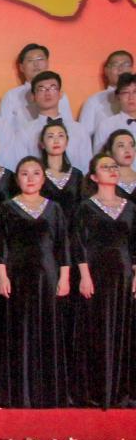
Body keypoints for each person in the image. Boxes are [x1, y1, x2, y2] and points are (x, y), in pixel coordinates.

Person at [0, 157, 70, 408]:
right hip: (16, 276)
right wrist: (2, 276)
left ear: (43, 178)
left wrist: (64, 277)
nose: (30, 178)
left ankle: (46, 394)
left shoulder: (54, 208)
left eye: (35, 173)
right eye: (24, 173)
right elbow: (0, 245)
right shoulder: (7, 208)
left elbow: (63, 245)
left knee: (47, 331)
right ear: (17, 179)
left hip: (47, 277)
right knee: (18, 331)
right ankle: (18, 394)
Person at [73, 153, 136, 408]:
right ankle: (95, 392)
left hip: (123, 276)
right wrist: (84, 276)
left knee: (123, 330)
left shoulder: (130, 208)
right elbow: (79, 243)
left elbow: (134, 244)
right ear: (93, 176)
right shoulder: (86, 207)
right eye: (105, 167)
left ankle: (119, 392)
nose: (111, 170)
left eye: (113, 166)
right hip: (95, 275)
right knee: (96, 329)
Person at [18, 71, 90, 171]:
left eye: (53, 88)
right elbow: (21, 167)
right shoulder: (24, 131)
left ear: (60, 94)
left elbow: (86, 166)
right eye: (41, 89)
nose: (47, 93)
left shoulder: (79, 129)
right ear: (33, 97)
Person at [0, 43, 73, 127]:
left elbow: (69, 125)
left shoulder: (59, 94)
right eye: (30, 60)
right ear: (21, 67)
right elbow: (3, 129)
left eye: (40, 59)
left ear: (47, 63)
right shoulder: (11, 96)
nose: (36, 64)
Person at [82, 50, 133, 137]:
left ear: (132, 69)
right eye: (115, 65)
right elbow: (84, 135)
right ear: (106, 70)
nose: (120, 69)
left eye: (125, 65)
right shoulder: (94, 101)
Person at [40, 121, 84, 220]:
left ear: (67, 142)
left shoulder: (77, 175)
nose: (56, 141)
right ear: (42, 144)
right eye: (50, 136)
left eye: (60, 136)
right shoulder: (37, 174)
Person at [94, 72, 136, 151]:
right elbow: (99, 156)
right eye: (126, 92)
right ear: (118, 96)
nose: (131, 97)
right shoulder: (106, 126)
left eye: (135, 92)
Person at [105, 130, 136, 201]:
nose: (127, 150)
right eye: (121, 146)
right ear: (109, 152)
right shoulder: (102, 182)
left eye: (131, 145)